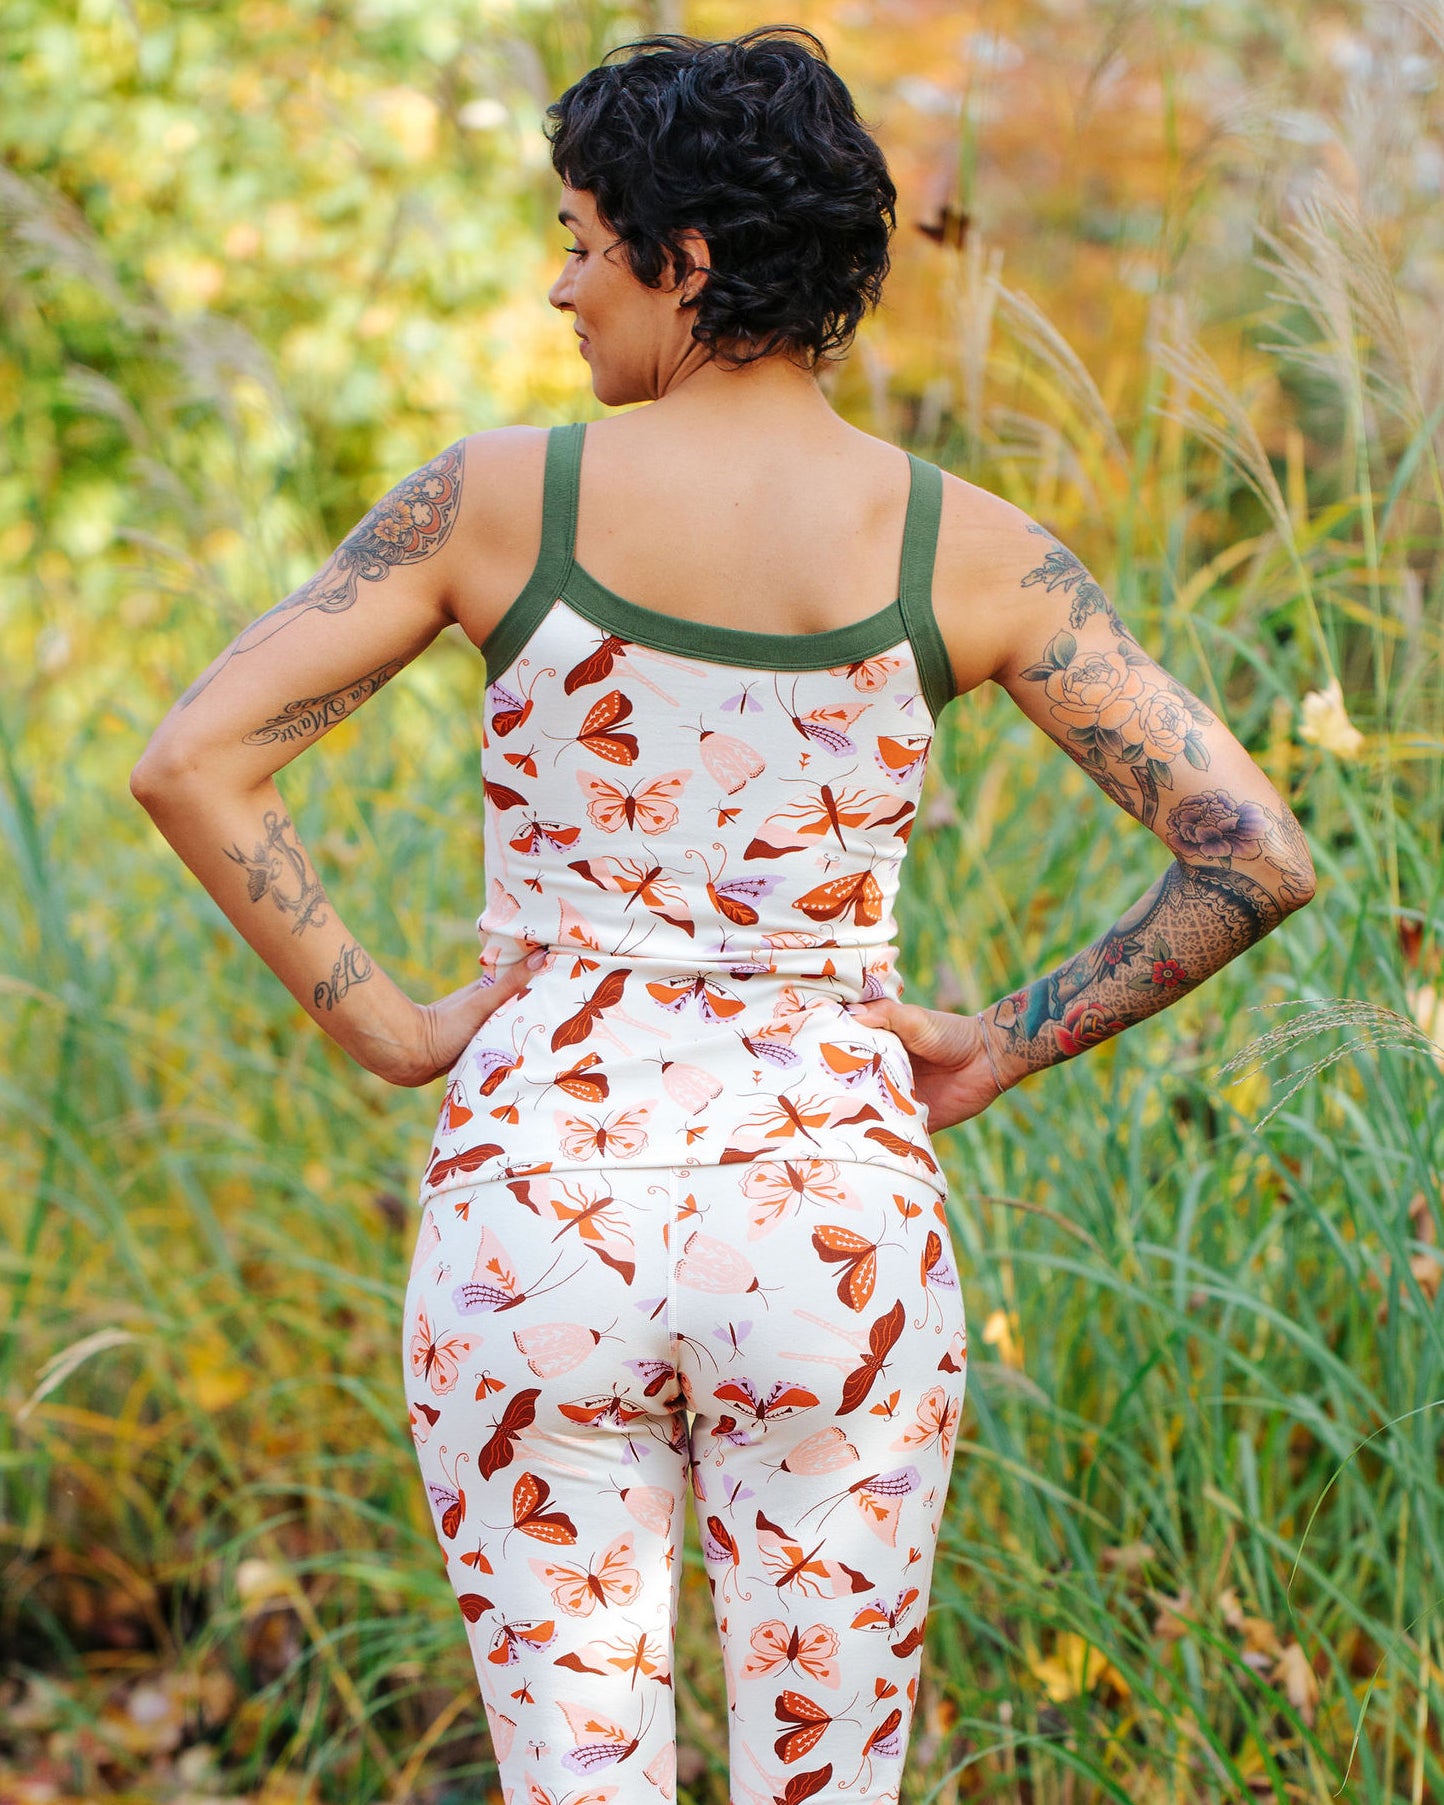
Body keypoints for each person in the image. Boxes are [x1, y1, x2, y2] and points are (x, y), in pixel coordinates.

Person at [129, 25, 1317, 1805]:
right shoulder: (970, 550)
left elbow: (193, 759)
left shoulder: (496, 499)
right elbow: (1258, 853)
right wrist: (1005, 1039)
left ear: (684, 260)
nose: (558, 287)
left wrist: (382, 1022)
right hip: (828, 1220)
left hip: (538, 1211)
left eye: (582, 239)